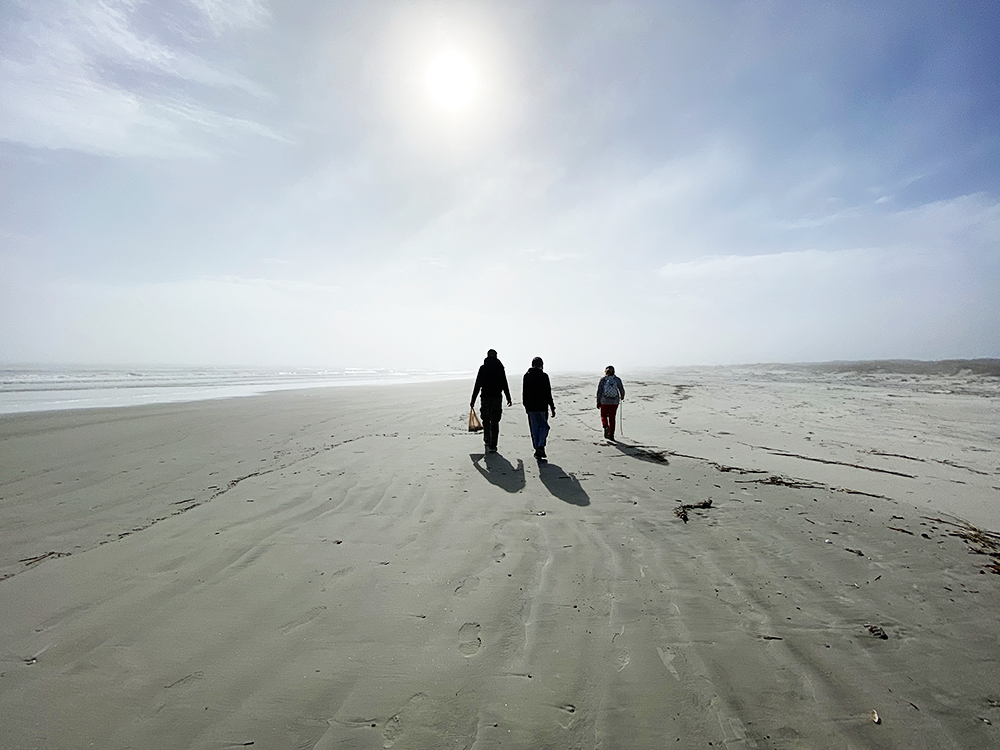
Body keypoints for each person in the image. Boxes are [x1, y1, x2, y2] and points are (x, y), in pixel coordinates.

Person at [471, 349, 512, 453]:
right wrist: (508, 397)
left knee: (485, 419)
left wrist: (473, 399)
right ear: (496, 356)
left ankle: (487, 439)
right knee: (495, 421)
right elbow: (504, 383)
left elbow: (477, 384)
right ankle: (493, 444)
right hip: (497, 397)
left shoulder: (483, 368)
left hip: (485, 397)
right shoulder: (499, 368)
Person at [522, 356, 555, 460]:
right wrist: (552, 406)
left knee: (534, 427)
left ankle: (537, 447)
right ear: (541, 365)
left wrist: (525, 405)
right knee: (544, 427)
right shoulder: (544, 376)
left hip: (531, 406)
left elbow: (525, 392)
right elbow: (547, 392)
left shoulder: (527, 376)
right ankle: (540, 446)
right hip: (542, 406)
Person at [597, 365, 625, 441]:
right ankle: (611, 434)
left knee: (603, 415)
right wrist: (622, 396)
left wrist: (598, 402)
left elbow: (599, 391)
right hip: (614, 402)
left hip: (604, 401)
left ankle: (605, 426)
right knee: (612, 418)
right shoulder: (617, 379)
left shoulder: (603, 380)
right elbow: (621, 389)